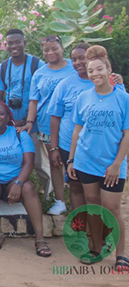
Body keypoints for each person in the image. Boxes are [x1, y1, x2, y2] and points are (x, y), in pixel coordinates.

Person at [68, 45, 129, 270]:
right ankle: (95, 248)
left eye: (99, 69)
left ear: (109, 69)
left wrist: (116, 164)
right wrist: (71, 160)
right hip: (85, 161)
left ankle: (121, 254)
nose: (95, 74)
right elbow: (77, 131)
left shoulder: (123, 98)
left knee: (112, 208)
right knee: (92, 206)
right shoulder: (84, 97)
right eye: (91, 70)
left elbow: (127, 134)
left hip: (112, 163)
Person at [48, 43, 124, 215]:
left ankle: (100, 228)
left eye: (81, 58)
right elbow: (55, 117)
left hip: (103, 148)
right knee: (76, 186)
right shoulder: (65, 85)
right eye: (74, 59)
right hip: (70, 145)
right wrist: (54, 148)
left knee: (101, 196)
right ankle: (80, 226)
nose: (77, 63)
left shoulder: (111, 83)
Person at [0, 102, 51, 257]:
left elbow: (29, 163)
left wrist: (18, 183)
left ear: (8, 117)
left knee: (28, 188)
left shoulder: (20, 135)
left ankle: (40, 239)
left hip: (14, 180)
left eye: (1, 113)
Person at [24, 35, 75, 207]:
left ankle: (79, 198)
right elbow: (34, 101)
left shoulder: (74, 67)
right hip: (46, 125)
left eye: (54, 48)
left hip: (72, 124)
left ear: (62, 48)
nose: (50, 52)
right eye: (46, 50)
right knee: (55, 162)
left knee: (76, 161)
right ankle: (59, 200)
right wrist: (30, 121)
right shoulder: (39, 73)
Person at [0, 29, 41, 127]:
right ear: (6, 46)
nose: (14, 46)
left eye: (18, 42)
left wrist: (27, 120)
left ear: (25, 43)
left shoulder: (37, 65)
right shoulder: (2, 68)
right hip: (10, 124)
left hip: (35, 124)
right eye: (10, 43)